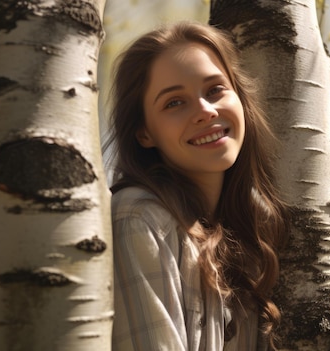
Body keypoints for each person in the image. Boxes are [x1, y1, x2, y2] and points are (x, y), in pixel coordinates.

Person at [104, 21, 289, 351]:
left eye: (215, 90)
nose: (205, 110)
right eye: (174, 102)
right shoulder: (139, 218)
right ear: (143, 133)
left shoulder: (247, 236)